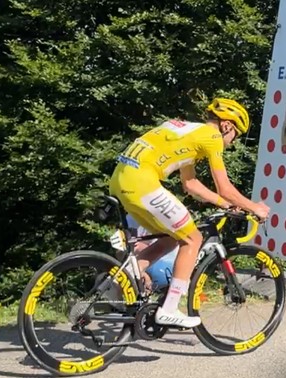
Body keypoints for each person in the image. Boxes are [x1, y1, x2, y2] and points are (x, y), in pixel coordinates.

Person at [108, 97, 270, 328]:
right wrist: (254, 207)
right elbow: (224, 187)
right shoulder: (212, 138)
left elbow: (190, 183)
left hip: (121, 179)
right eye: (236, 135)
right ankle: (170, 308)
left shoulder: (190, 133)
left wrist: (224, 205)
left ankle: (126, 275)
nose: (232, 142)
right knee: (193, 238)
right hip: (141, 182)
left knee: (171, 239)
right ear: (226, 126)